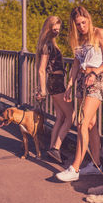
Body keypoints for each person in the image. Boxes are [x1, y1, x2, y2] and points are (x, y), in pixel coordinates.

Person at [56, 6, 103, 181]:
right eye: (78, 24)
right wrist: (69, 85)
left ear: (89, 20)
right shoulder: (79, 40)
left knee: (82, 122)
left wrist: (95, 73)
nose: (82, 26)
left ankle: (74, 168)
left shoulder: (99, 33)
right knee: (90, 125)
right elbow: (75, 65)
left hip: (95, 81)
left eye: (83, 22)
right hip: (81, 82)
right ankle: (96, 165)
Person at [36, 16, 74, 164]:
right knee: (71, 116)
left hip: (56, 81)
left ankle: (52, 149)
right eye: (54, 29)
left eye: (58, 29)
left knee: (60, 116)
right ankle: (56, 149)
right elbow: (41, 70)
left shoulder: (50, 43)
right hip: (55, 83)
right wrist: (43, 90)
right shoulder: (47, 45)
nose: (57, 32)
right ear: (48, 28)